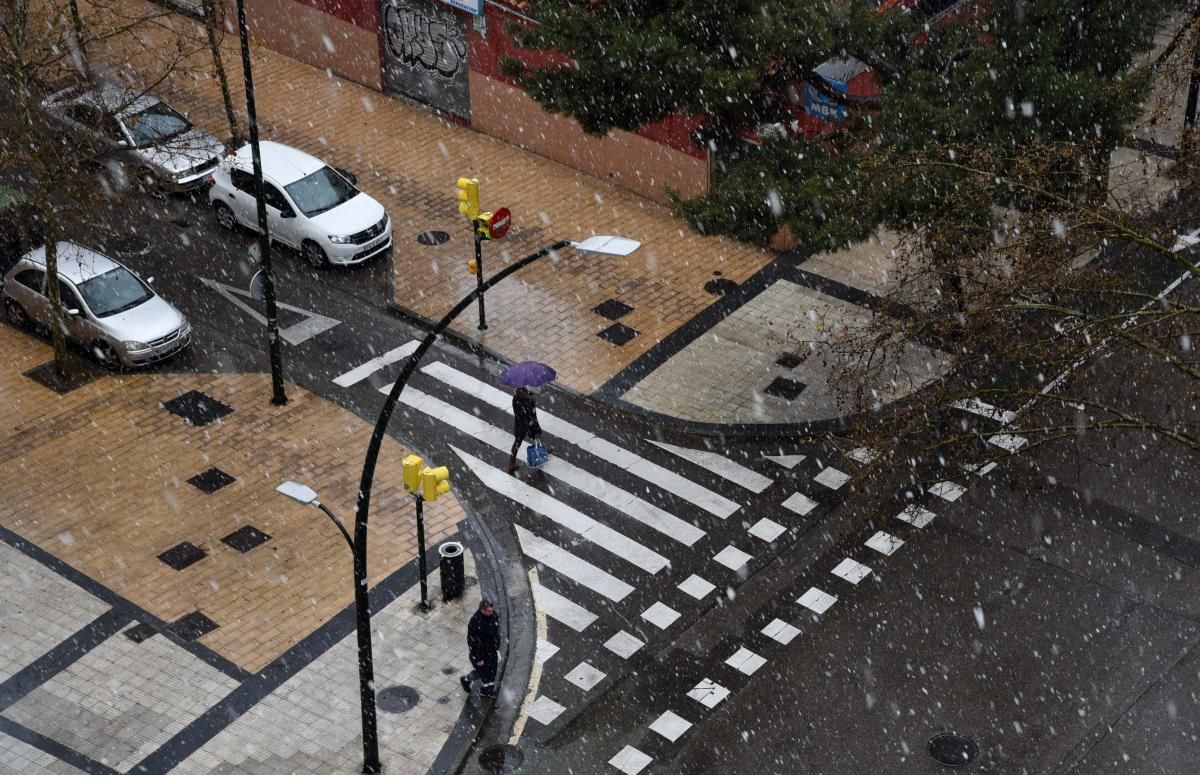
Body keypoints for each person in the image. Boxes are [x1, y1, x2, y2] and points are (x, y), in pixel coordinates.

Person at [460, 598, 501, 698]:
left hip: (492, 650)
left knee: (492, 671)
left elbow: (495, 632)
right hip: (482, 653)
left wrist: (496, 646)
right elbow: (472, 642)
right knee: (484, 674)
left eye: (491, 610)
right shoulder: (475, 622)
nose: (491, 612)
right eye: (488, 611)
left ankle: (487, 690)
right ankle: (467, 680)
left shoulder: (493, 615)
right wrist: (478, 658)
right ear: (482, 610)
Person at [507, 386, 542, 474]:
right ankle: (512, 463)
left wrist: (530, 398)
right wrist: (530, 399)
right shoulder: (523, 399)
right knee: (532, 436)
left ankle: (512, 462)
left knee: (520, 441)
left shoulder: (516, 398)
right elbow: (529, 410)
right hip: (526, 423)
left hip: (521, 423)